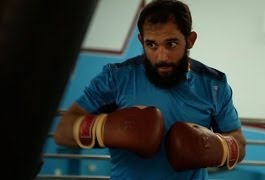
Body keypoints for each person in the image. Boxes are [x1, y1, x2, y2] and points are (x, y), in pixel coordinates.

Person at [54, 0, 246, 179]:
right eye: (151, 45)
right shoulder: (116, 78)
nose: (161, 56)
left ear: (190, 40)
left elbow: (238, 141)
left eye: (171, 44)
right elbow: (63, 131)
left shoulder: (213, 85)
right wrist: (107, 128)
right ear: (141, 40)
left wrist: (215, 148)